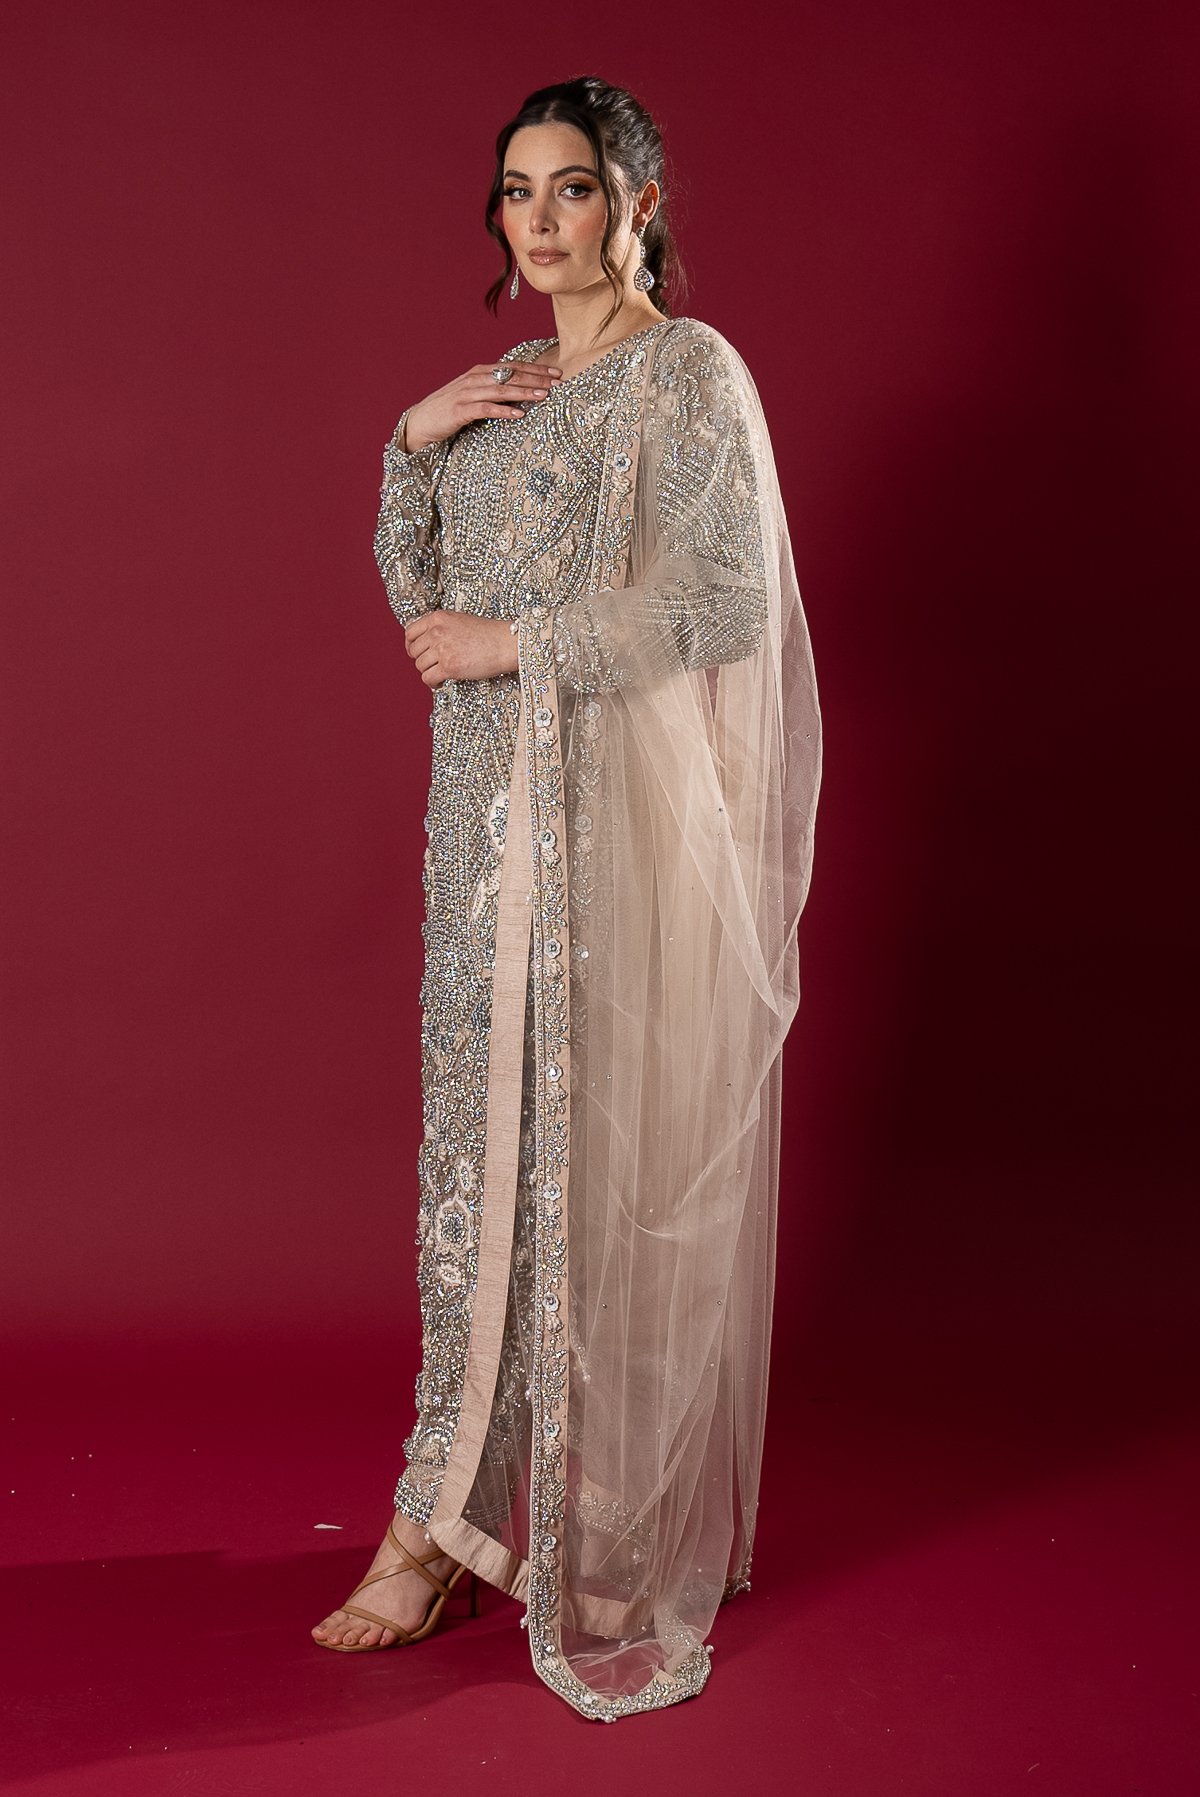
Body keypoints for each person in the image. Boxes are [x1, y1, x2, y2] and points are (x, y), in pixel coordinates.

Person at [312, 74, 823, 1721]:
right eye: (517, 192)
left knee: (593, 1167)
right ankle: (452, 1509)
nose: (540, 220)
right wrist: (413, 442)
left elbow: (726, 600)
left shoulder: (687, 373)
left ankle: (581, 1527)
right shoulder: (510, 392)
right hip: (483, 839)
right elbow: (422, 607)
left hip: (611, 836)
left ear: (639, 203)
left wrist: (515, 643)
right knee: (479, 1170)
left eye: (574, 187)